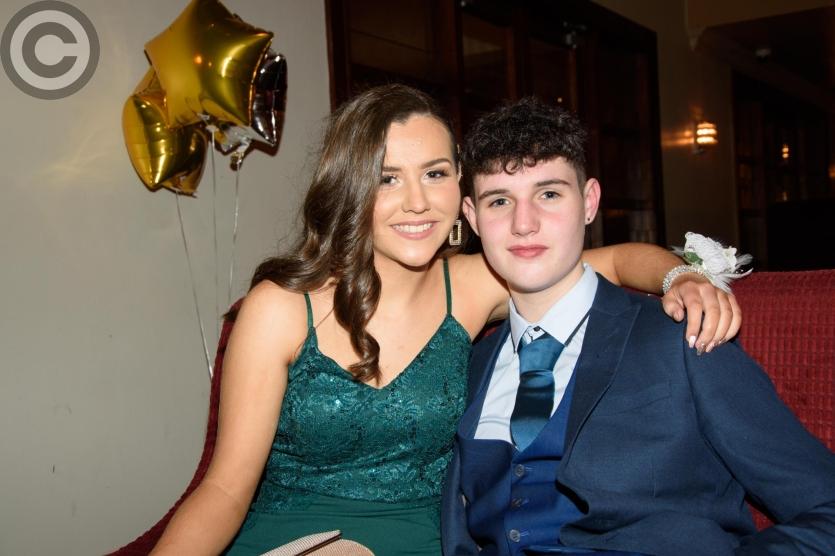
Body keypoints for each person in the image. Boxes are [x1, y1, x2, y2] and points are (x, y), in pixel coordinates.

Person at [150, 85, 739, 556]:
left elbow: (614, 261)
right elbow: (224, 488)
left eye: (435, 173)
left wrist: (680, 277)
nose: (418, 201)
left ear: (461, 186)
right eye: (387, 178)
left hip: (426, 541)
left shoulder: (474, 285)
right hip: (293, 540)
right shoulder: (279, 307)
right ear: (350, 188)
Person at [441, 97, 835, 556]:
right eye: (499, 201)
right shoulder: (471, 364)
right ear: (472, 216)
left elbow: (825, 507)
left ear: (589, 202)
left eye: (549, 194)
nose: (523, 224)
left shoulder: (684, 337)